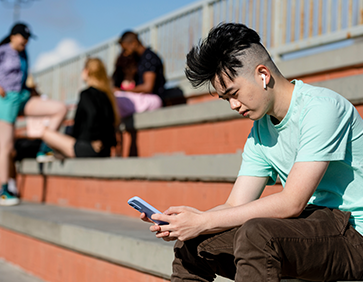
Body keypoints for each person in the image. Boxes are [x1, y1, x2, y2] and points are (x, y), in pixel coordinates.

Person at [141, 23, 363, 281]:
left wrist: (203, 222)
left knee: (256, 234)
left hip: (354, 234)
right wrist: (190, 221)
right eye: (226, 99)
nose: (234, 105)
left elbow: (292, 202)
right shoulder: (260, 132)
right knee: (191, 244)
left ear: (263, 74)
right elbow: (236, 204)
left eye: (234, 93)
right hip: (312, 226)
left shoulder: (322, 108)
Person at [0, 23, 67, 206]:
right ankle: (4, 189)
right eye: (22, 37)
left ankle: (44, 147)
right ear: (13, 36)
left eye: (27, 38)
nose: (25, 41)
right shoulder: (1, 51)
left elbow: (25, 79)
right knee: (6, 147)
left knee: (59, 108)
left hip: (23, 97)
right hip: (6, 100)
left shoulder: (24, 54)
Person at [29, 58, 120, 159]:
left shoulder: (86, 94)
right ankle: (56, 153)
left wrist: (91, 141)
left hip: (87, 148)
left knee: (44, 132)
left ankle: (46, 153)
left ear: (87, 71)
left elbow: (89, 118)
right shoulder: (108, 95)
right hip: (104, 149)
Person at [113, 31, 165, 118]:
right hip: (143, 99)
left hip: (153, 100)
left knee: (116, 97)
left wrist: (123, 91)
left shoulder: (149, 57)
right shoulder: (140, 59)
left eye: (125, 49)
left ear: (133, 43)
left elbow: (148, 87)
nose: (125, 53)